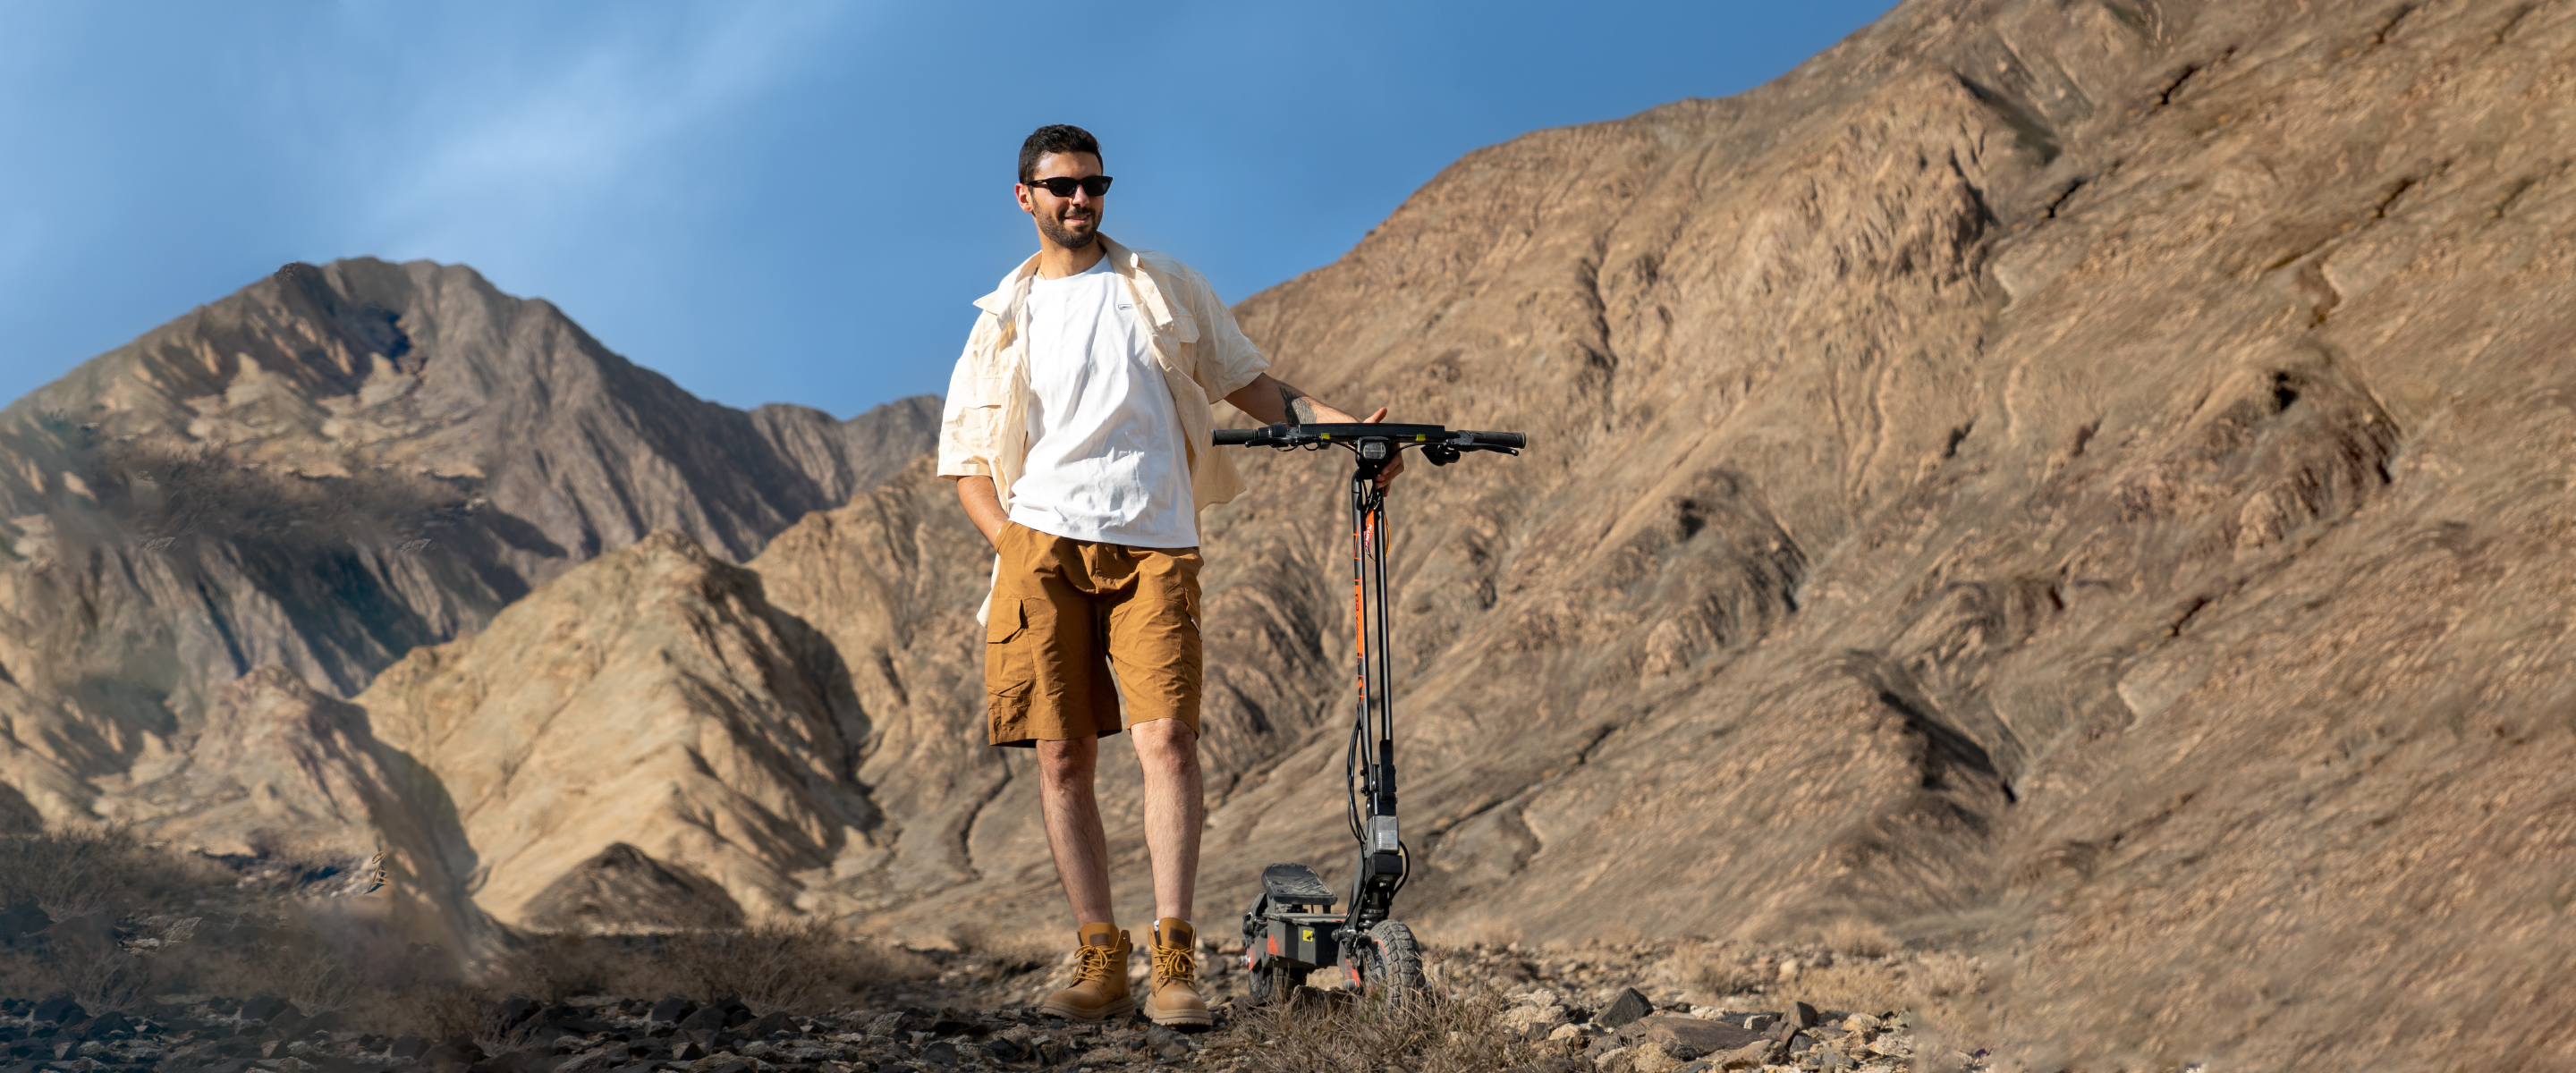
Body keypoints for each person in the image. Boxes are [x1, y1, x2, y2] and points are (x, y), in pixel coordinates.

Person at [936, 123, 1396, 1027]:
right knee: (1062, 755)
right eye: (1063, 186)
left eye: (1094, 184)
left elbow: (1254, 386)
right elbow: (964, 462)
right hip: (1042, 551)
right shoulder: (1000, 320)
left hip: (1155, 546)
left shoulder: (1163, 287)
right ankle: (1099, 959)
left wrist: (1354, 433)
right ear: (1025, 198)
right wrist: (1013, 544)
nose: (1082, 199)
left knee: (1169, 743)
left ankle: (1174, 963)